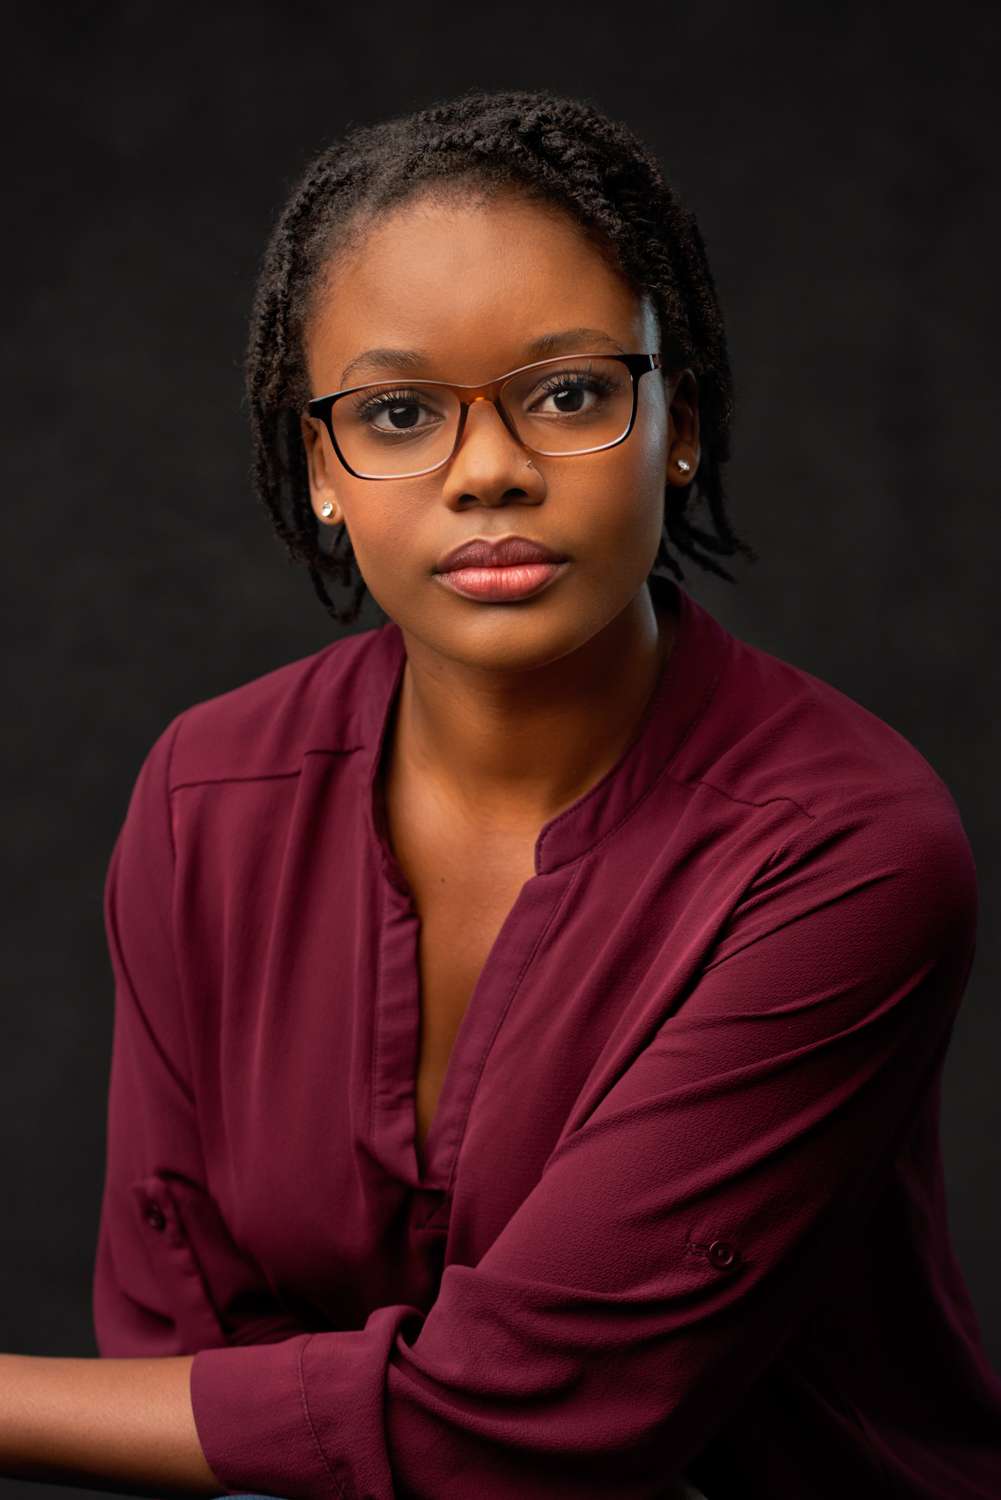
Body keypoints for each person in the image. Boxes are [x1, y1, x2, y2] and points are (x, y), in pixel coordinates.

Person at [2, 87, 998, 1500]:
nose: (490, 472)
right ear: (320, 469)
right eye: (399, 412)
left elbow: (526, 1421)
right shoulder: (207, 797)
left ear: (682, 425)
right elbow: (184, 1355)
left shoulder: (845, 849)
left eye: (572, 393)